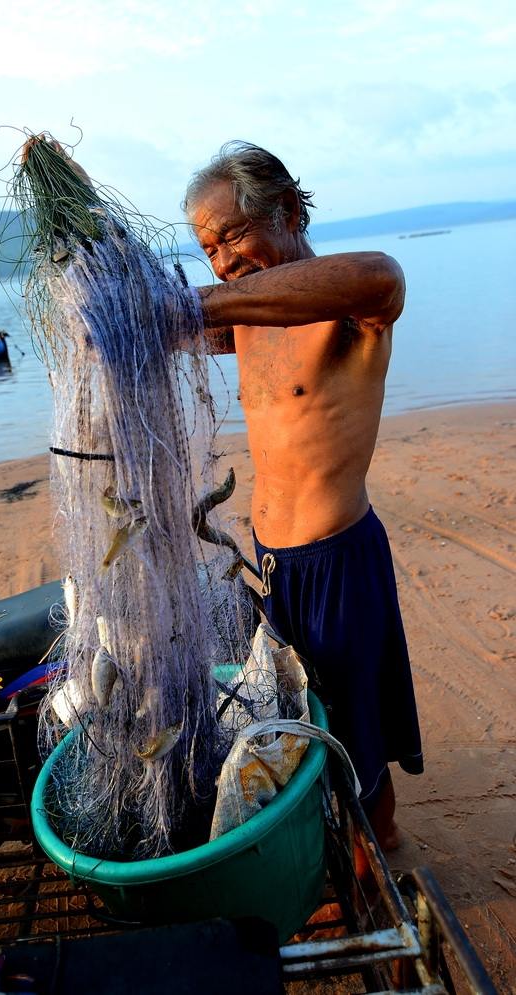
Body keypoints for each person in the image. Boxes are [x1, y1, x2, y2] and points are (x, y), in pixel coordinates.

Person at [184, 141, 423, 867]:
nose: (222, 262)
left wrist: (194, 304)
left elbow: (383, 275)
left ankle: (384, 856)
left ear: (287, 208)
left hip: (338, 557)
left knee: (357, 727)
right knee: (295, 713)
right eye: (207, 249)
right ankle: (327, 845)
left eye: (231, 236)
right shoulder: (253, 316)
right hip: (273, 563)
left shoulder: (354, 307)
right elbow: (181, 329)